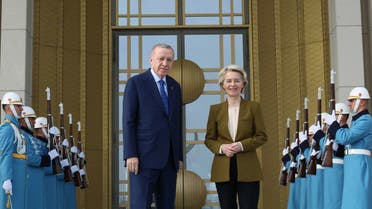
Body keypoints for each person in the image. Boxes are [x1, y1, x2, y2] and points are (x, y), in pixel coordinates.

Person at [122, 43, 183, 209]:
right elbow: (128, 121)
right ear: (151, 60)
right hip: (143, 159)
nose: (165, 63)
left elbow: (177, 124)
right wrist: (130, 154)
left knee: (167, 205)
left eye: (169, 60)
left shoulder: (175, 86)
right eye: (161, 59)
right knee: (141, 205)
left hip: (169, 160)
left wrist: (179, 156)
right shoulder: (136, 83)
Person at [205, 64, 268, 209]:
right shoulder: (215, 110)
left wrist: (241, 145)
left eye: (237, 81)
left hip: (248, 168)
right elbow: (209, 139)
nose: (232, 84)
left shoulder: (253, 107)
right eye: (228, 81)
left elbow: (262, 136)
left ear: (243, 84)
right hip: (222, 169)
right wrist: (221, 148)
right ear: (222, 85)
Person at [325, 87, 372, 209]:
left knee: (358, 200)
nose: (349, 104)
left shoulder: (366, 120)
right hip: (352, 163)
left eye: (352, 101)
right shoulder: (357, 121)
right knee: (350, 201)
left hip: (359, 163)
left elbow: (347, 137)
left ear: (361, 101)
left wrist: (334, 125)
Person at [19, 106, 51, 209]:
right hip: (30, 176)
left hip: (37, 177)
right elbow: (30, 157)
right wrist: (46, 159)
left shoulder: (30, 136)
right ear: (24, 119)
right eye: (32, 119)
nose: (34, 122)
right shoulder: (22, 134)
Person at [0, 92, 24, 209]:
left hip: (19, 177)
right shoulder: (7, 128)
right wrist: (6, 178)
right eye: (18, 106)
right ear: (9, 107)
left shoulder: (15, 128)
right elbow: (5, 154)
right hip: (12, 178)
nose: (21, 108)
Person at [323, 102, 349, 209]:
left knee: (336, 200)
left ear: (342, 116)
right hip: (331, 170)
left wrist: (336, 147)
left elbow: (342, 149)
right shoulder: (335, 131)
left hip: (339, 169)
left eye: (336, 115)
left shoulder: (345, 131)